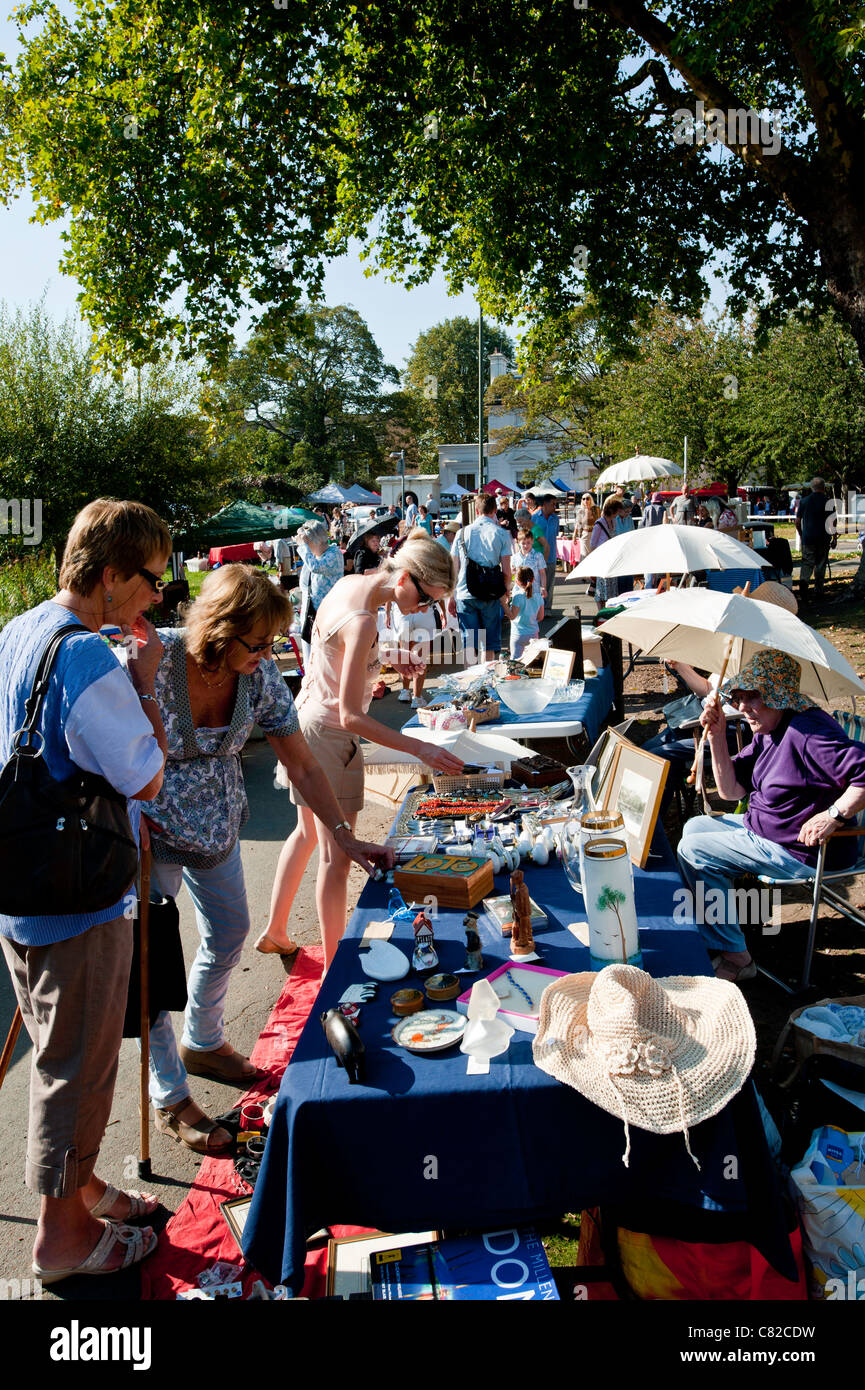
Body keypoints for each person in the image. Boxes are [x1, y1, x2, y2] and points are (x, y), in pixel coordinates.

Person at [144, 566, 393, 1154]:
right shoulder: (156, 659)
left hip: (216, 827)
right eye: (257, 643)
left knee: (230, 934)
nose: (268, 653)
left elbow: (304, 764)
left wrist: (344, 834)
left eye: (275, 642)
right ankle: (169, 1095)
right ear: (219, 631)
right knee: (150, 964)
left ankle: (202, 1040)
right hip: (147, 832)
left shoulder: (258, 679)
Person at [0, 498, 170, 1283]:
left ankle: (85, 1185)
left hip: (24, 883)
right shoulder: (90, 660)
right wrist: (145, 683)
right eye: (150, 579)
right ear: (110, 575)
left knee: (57, 1050)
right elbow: (148, 775)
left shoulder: (21, 631)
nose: (157, 598)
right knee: (77, 1068)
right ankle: (61, 1236)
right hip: (79, 898)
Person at [265, 533, 463, 968]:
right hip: (329, 734)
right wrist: (420, 749)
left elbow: (340, 652)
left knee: (306, 836)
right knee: (337, 857)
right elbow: (352, 715)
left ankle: (276, 930)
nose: (425, 610)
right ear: (406, 577)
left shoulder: (353, 585)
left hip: (311, 719)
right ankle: (336, 969)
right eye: (427, 599)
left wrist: (393, 654)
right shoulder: (367, 617)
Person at [677, 649, 865, 983]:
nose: (743, 707)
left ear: (780, 696)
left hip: (804, 850)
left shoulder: (807, 734)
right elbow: (732, 791)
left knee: (693, 852)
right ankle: (734, 925)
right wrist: (718, 735)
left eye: (754, 697)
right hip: (765, 832)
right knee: (693, 828)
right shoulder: (768, 729)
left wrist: (833, 815)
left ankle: (736, 957)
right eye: (739, 697)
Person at [450, 493, 513, 662]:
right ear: (495, 510)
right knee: (489, 644)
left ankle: (469, 685)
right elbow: (507, 570)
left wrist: (451, 596)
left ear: (476, 511)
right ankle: (487, 684)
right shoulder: (502, 534)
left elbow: (453, 569)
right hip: (491, 594)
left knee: (470, 645)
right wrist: (506, 591)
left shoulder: (461, 533)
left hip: (464, 592)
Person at [296, 518, 344, 667]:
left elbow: (315, 567)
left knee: (325, 661)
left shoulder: (334, 554)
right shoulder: (313, 557)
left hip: (327, 617)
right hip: (310, 615)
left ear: (315, 540)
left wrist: (303, 547)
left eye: (307, 542)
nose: (306, 547)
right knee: (310, 662)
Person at [796, 475, 835, 604]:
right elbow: (832, 523)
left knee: (807, 563)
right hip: (823, 538)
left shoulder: (804, 501)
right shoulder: (828, 502)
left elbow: (797, 521)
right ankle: (818, 590)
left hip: (808, 538)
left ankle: (804, 586)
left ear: (812, 488)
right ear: (824, 488)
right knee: (820, 564)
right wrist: (834, 537)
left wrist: (801, 534)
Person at [589, 495, 626, 607]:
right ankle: (601, 610)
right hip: (602, 559)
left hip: (612, 558)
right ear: (613, 511)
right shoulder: (599, 523)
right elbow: (593, 544)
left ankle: (609, 608)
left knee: (612, 586)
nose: (618, 514)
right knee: (601, 587)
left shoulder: (614, 522)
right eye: (617, 511)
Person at [504, 566, 545, 660]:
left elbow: (512, 616)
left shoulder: (518, 597)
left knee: (516, 662)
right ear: (533, 579)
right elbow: (540, 617)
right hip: (533, 633)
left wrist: (504, 603)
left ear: (517, 581)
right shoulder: (538, 597)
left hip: (518, 634)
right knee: (532, 661)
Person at [531, 494, 560, 608]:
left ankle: (547, 609)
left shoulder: (555, 519)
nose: (555, 507)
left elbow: (555, 534)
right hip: (537, 556)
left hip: (551, 556)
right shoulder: (534, 518)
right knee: (536, 583)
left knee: (549, 584)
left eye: (555, 504)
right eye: (552, 504)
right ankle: (537, 608)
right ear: (544, 505)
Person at [514, 524, 547, 599]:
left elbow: (542, 573)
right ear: (518, 542)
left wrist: (544, 587)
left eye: (528, 543)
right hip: (519, 591)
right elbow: (513, 575)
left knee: (535, 610)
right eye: (523, 543)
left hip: (534, 591)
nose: (526, 545)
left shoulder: (538, 556)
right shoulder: (515, 557)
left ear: (532, 541)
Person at [575, 493, 598, 561]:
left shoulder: (596, 510)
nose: (585, 500)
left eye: (587, 498)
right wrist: (574, 536)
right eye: (583, 499)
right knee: (584, 555)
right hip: (585, 534)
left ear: (591, 499)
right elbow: (578, 524)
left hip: (594, 534)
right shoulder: (580, 511)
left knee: (593, 554)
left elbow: (599, 521)